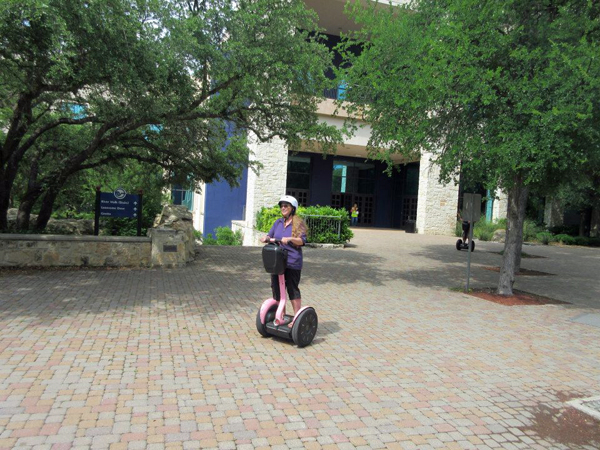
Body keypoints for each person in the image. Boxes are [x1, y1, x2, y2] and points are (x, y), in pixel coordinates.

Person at [261, 195, 308, 326]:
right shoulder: (278, 222)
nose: (283, 208)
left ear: (293, 208)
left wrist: (291, 239)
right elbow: (270, 235)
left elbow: (302, 241)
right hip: (278, 262)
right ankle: (281, 315)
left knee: (292, 289)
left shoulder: (298, 223)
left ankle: (296, 319)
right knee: (276, 288)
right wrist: (266, 238)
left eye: (286, 206)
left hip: (292, 262)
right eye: (281, 205)